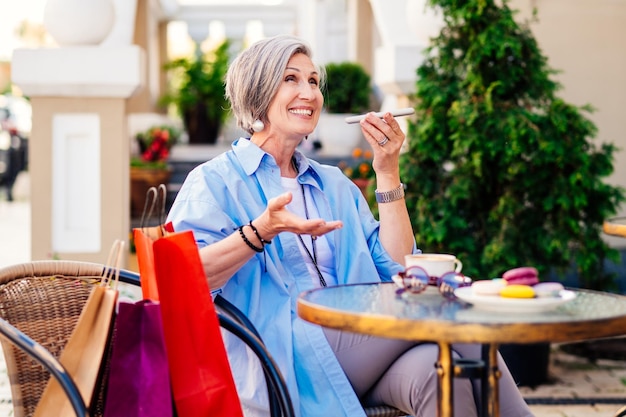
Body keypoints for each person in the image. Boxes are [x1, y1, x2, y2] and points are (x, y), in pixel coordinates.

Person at [167, 34, 533, 417]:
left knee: (440, 375)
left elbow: (401, 267)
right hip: (283, 353)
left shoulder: (333, 183)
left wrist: (387, 171)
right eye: (290, 79)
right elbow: (182, 280)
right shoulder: (215, 181)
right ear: (258, 91)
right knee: (449, 315)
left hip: (357, 344)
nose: (308, 92)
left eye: (313, 81)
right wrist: (260, 231)